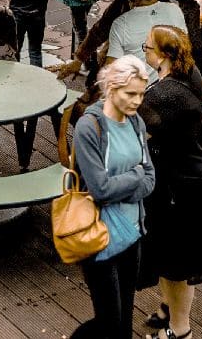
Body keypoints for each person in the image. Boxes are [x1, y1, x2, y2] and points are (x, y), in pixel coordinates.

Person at [140, 28, 202, 339]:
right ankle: (168, 309)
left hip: (182, 187)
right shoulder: (190, 71)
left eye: (146, 47)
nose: (144, 51)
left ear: (161, 56)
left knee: (176, 267)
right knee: (172, 261)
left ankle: (180, 330)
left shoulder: (162, 96)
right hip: (198, 174)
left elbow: (135, 130)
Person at [69, 56, 155, 339]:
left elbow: (151, 179)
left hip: (132, 232)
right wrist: (134, 176)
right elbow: (100, 189)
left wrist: (134, 180)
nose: (137, 101)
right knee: (110, 321)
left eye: (141, 94)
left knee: (126, 317)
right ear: (110, 88)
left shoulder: (136, 122)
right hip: (99, 237)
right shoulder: (88, 128)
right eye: (130, 94)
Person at [107, 0, 186, 79]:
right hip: (172, 86)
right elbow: (184, 48)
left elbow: (110, 73)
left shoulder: (120, 24)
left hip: (139, 93)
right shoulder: (175, 11)